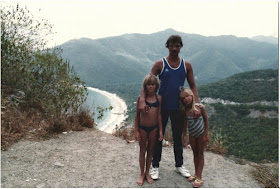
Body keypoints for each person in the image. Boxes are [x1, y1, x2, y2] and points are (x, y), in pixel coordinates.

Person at [138, 35, 199, 180]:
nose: (174, 48)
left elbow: (193, 86)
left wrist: (195, 105)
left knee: (178, 136)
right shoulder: (160, 64)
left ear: (180, 47)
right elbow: (147, 82)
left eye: (177, 46)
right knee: (159, 136)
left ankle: (179, 165)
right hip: (161, 107)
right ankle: (155, 165)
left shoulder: (186, 65)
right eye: (172, 45)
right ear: (167, 46)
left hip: (179, 107)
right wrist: (142, 100)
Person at [135, 74, 163, 186]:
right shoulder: (141, 99)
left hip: (154, 128)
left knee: (150, 151)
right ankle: (142, 173)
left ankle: (147, 173)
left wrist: (160, 131)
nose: (151, 87)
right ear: (145, 86)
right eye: (148, 85)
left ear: (156, 86)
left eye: (153, 85)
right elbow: (137, 116)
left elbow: (159, 115)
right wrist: (136, 131)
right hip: (142, 128)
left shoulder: (159, 98)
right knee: (142, 151)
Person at [179, 87, 209, 188]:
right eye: (183, 98)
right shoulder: (185, 110)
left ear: (192, 96)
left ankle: (199, 177)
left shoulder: (200, 108)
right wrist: (184, 135)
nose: (186, 99)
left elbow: (206, 120)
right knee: (195, 154)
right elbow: (184, 124)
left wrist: (205, 134)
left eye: (187, 96)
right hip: (192, 134)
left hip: (200, 134)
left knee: (200, 154)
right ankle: (196, 174)